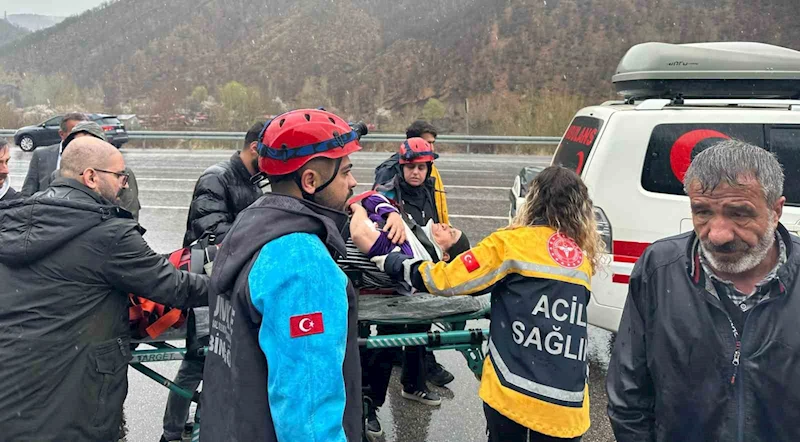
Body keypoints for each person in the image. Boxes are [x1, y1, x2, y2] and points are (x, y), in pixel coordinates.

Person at [0, 137, 209, 442]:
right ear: (91, 177)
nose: (124, 184)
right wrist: (235, 281)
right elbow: (174, 287)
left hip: (13, 386)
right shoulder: (108, 233)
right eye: (120, 176)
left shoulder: (18, 218)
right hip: (74, 395)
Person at [375, 166, 602, 442]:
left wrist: (394, 262)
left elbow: (446, 280)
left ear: (533, 201)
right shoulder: (579, 259)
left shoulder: (511, 244)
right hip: (570, 406)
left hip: (516, 397)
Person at [607, 140, 800, 442]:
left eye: (739, 214)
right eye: (703, 212)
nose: (718, 235)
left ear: (776, 210)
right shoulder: (659, 268)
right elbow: (629, 395)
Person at [202, 108, 363, 442]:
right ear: (310, 181)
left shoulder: (252, 226)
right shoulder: (302, 263)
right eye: (346, 171)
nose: (353, 182)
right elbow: (309, 417)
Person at [160, 121, 265, 442]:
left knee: (223, 361)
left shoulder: (254, 182)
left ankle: (204, 426)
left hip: (233, 282)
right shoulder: (216, 178)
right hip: (203, 282)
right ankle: (171, 433)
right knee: (199, 360)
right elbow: (211, 232)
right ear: (255, 148)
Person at [370, 137, 452, 417]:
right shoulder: (388, 190)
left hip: (422, 274)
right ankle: (371, 404)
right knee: (388, 336)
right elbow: (366, 206)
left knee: (420, 329)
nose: (416, 172)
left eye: (421, 167)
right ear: (401, 167)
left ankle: (414, 384)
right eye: (410, 167)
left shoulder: (428, 190)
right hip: (393, 276)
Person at [61, 120, 142, 220]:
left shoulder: (122, 174)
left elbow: (130, 213)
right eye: (77, 145)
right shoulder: (60, 174)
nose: (84, 149)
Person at [374, 119, 448, 224]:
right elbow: (376, 203)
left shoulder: (430, 170)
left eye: (421, 168)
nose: (431, 148)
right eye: (427, 143)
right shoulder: (389, 171)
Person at [21, 112, 88, 196]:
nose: (81, 138)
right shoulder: (41, 155)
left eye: (85, 133)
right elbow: (27, 192)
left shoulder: (96, 158)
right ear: (62, 134)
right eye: (75, 133)